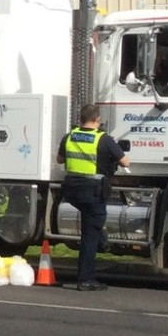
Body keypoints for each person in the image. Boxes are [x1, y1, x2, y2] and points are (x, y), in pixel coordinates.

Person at [61, 104, 127, 291]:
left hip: (72, 192)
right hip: (93, 192)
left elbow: (59, 159)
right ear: (98, 120)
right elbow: (125, 161)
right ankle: (86, 280)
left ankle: (101, 237)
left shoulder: (70, 136)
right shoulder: (103, 139)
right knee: (90, 236)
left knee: (92, 228)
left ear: (80, 119)